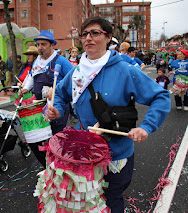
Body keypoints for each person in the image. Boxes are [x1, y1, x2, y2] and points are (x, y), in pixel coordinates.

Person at [46, 16, 170, 212]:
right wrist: (56, 110)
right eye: (85, 34)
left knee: (111, 201)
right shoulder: (76, 72)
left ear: (108, 37)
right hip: (85, 154)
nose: (88, 38)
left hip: (116, 154)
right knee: (87, 201)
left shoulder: (125, 70)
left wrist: (146, 127)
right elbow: (60, 94)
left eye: (95, 33)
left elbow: (161, 97)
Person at [18, 30, 73, 167]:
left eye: (43, 44)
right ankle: (48, 166)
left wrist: (56, 89)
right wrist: (25, 88)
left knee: (55, 138)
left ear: (52, 45)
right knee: (39, 138)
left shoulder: (62, 61)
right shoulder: (37, 61)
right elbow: (31, 76)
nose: (40, 47)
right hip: (39, 106)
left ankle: (60, 167)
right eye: (38, 44)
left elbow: (74, 80)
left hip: (57, 106)